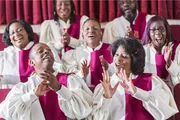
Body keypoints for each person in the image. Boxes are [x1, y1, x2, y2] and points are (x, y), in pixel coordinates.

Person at [0, 43, 96, 120]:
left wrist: (60, 88)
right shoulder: (23, 88)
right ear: (31, 62)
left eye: (49, 50)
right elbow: (6, 112)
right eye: (40, 51)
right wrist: (32, 94)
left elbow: (85, 111)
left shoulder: (71, 80)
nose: (46, 51)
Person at [99, 37, 178, 120]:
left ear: (134, 60)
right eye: (116, 55)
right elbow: (97, 117)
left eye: (124, 56)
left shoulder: (151, 81)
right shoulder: (107, 84)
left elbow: (164, 110)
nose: (118, 59)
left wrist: (137, 92)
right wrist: (106, 99)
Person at [61, 18, 113, 89]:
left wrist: (108, 68)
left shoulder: (112, 50)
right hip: (84, 95)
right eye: (87, 29)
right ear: (82, 34)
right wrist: (81, 73)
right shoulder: (75, 54)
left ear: (101, 33)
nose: (91, 31)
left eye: (95, 28)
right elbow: (69, 80)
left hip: (107, 94)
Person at [142, 15, 179, 87]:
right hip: (151, 93)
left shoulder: (178, 48)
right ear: (148, 33)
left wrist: (169, 62)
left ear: (167, 31)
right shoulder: (143, 51)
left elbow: (178, 77)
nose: (158, 32)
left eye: (161, 29)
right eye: (153, 30)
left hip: (173, 93)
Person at [0, 19, 36, 88]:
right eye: (12, 33)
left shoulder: (43, 50)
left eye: (19, 30)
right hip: (11, 97)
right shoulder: (3, 56)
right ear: (9, 38)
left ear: (27, 32)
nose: (16, 34)